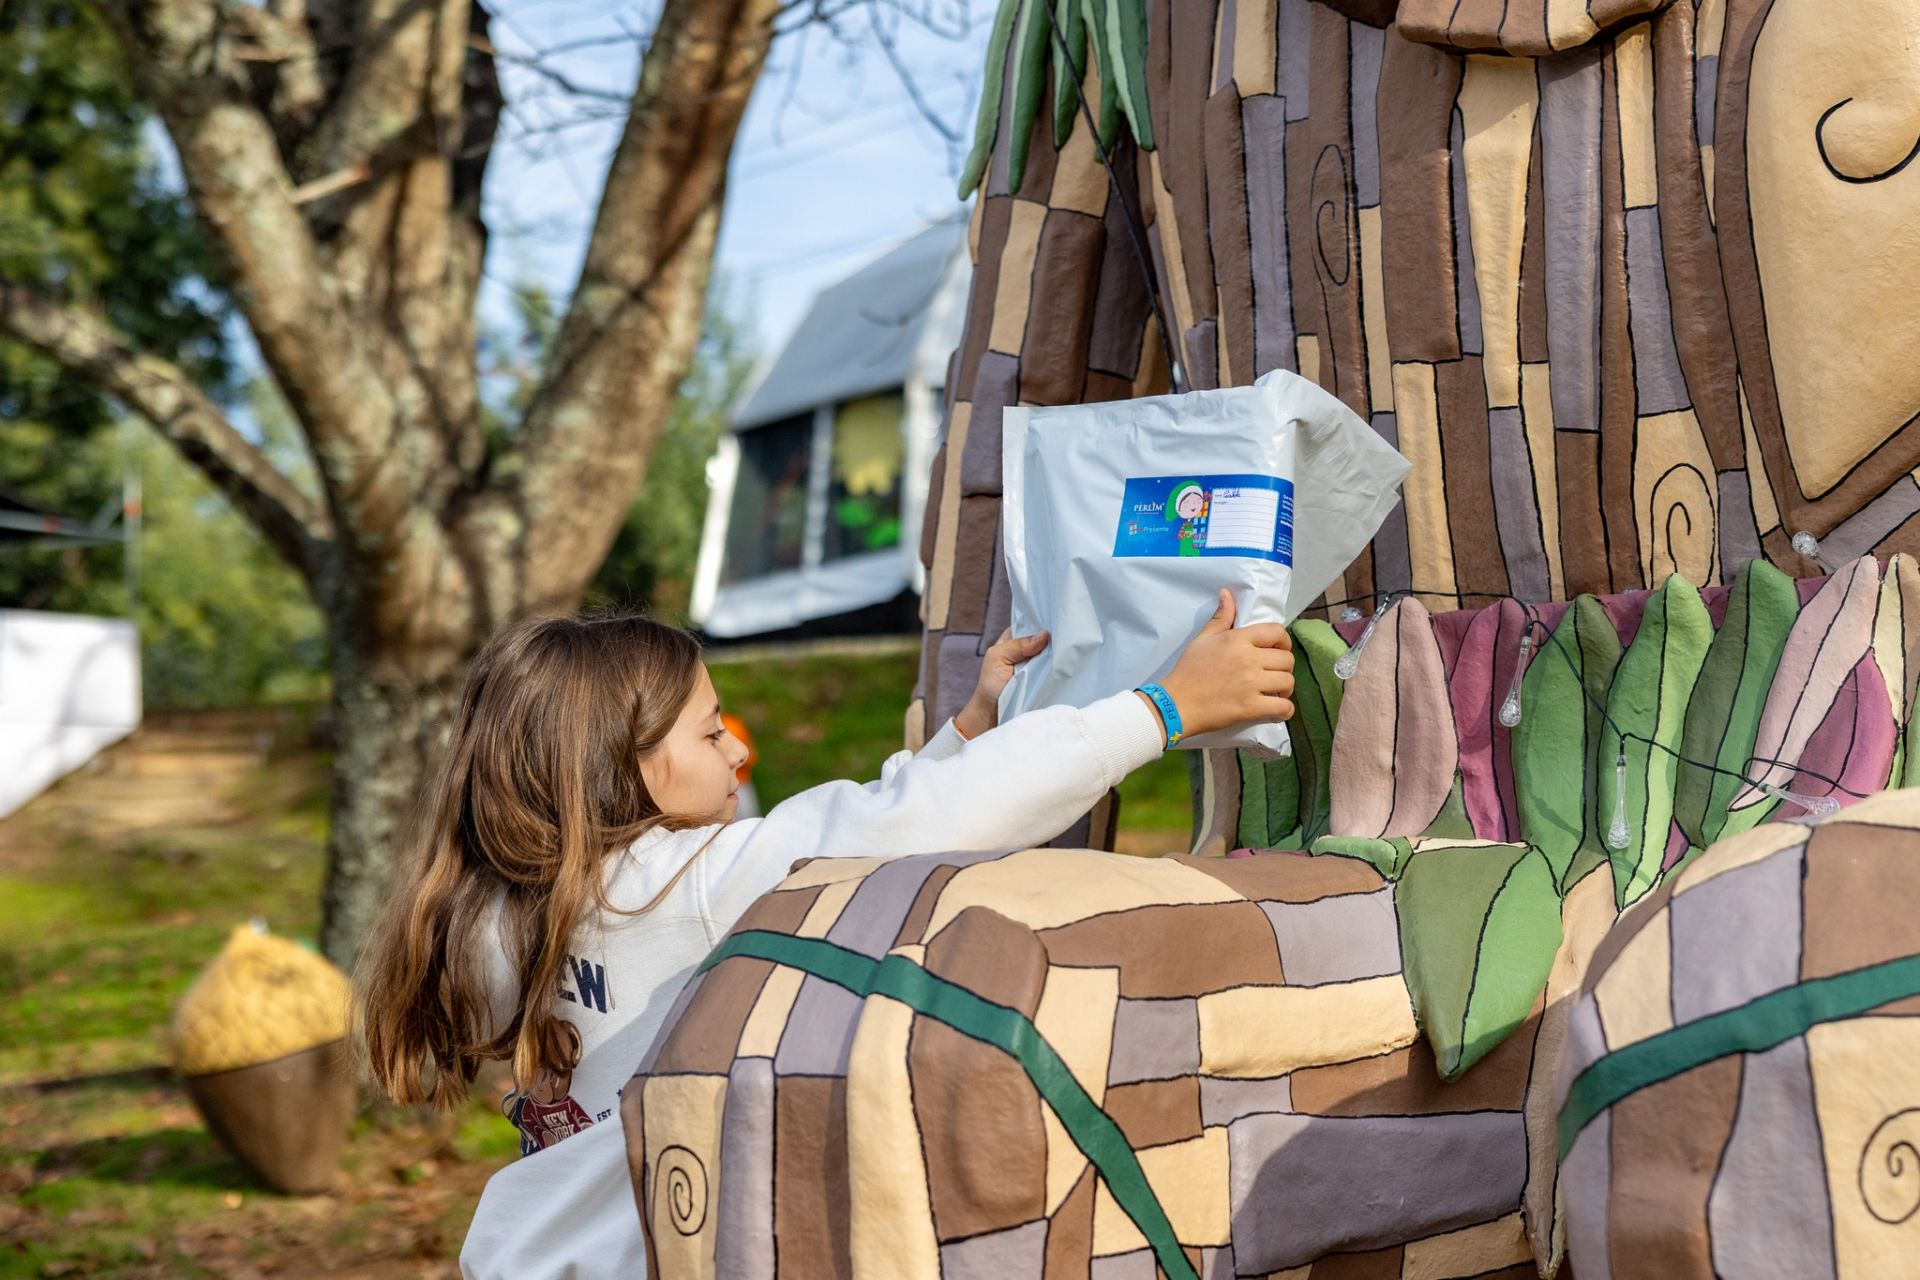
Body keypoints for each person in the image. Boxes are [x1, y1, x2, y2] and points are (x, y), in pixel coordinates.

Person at [355, 589, 1293, 1278]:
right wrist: (1161, 709)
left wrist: (962, 733)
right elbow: (899, 828)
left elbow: (871, 830)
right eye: (708, 728)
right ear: (627, 769)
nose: (737, 750)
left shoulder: (487, 910)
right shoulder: (688, 888)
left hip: (517, 1254)